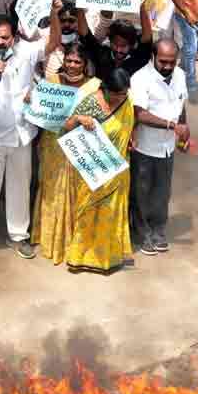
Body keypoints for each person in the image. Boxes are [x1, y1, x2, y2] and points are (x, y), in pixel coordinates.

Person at [0, 8, 59, 264]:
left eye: (5, 37)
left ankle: (18, 236)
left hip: (21, 135)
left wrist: (54, 13)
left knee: (19, 187)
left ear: (13, 37)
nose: (0, 42)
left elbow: (53, 43)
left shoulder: (26, 52)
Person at [59, 68, 135, 272]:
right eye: (118, 94)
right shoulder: (92, 102)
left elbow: (128, 126)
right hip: (93, 169)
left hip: (116, 169)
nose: (123, 98)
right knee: (88, 211)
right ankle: (80, 257)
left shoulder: (127, 100)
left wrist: (129, 139)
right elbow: (65, 127)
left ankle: (108, 257)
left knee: (111, 213)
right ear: (106, 89)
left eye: (125, 93)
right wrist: (77, 120)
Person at [32, 43, 101, 264]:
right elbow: (40, 112)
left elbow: (102, 116)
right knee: (52, 190)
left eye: (77, 61)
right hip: (53, 146)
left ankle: (73, 241)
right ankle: (50, 238)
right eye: (69, 61)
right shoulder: (51, 82)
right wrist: (31, 99)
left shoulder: (94, 86)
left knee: (76, 191)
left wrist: (87, 121)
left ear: (85, 64)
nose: (72, 65)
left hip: (79, 147)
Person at [130, 39, 189, 256]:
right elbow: (140, 114)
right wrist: (172, 126)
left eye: (171, 62)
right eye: (162, 61)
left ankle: (158, 230)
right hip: (145, 146)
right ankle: (142, 233)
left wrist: (184, 129)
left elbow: (181, 105)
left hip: (168, 147)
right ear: (153, 57)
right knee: (141, 191)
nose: (167, 66)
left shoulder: (180, 75)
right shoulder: (140, 79)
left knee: (162, 192)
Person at [77, 0, 153, 82]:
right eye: (115, 44)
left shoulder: (138, 58)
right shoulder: (102, 54)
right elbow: (84, 33)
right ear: (109, 40)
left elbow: (147, 37)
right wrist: (79, 3)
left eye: (123, 45)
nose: (118, 49)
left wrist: (142, 5)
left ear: (132, 44)